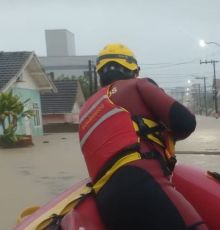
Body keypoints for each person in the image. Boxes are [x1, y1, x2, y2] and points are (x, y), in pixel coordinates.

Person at [78, 43, 207, 229]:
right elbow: (185, 122)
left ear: (100, 74)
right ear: (133, 69)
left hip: (106, 201)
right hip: (142, 179)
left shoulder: (86, 110)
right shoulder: (138, 85)